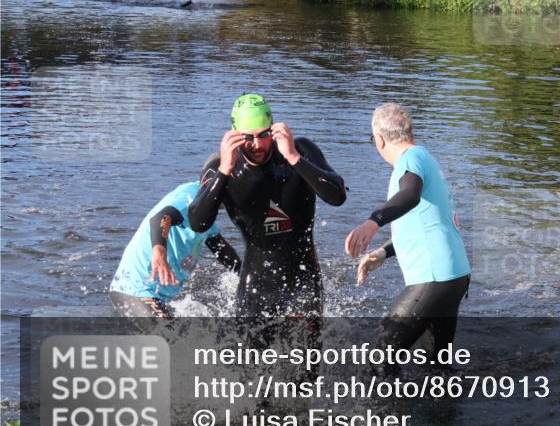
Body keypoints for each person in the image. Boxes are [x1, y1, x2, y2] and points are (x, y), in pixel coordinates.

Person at [189, 94, 348, 317]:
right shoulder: (220, 167)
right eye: (247, 137)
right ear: (233, 134)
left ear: (273, 129)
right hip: (256, 285)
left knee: (307, 353)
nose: (256, 144)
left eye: (263, 135)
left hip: (303, 280)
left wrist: (293, 157)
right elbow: (198, 223)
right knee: (247, 353)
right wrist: (225, 169)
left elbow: (337, 196)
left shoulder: (300, 149)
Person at [345, 103, 471, 368]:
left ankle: (385, 411)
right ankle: (443, 410)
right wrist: (383, 252)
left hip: (434, 278)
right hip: (453, 276)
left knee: (380, 359)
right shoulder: (424, 158)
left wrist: (373, 221)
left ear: (379, 139)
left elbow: (409, 196)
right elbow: (427, 223)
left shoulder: (409, 159)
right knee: (437, 368)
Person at [110, 173, 241, 318]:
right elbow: (161, 217)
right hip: (135, 291)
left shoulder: (205, 213)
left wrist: (249, 277)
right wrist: (159, 252)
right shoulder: (189, 199)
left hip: (157, 297)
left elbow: (223, 251)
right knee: (169, 337)